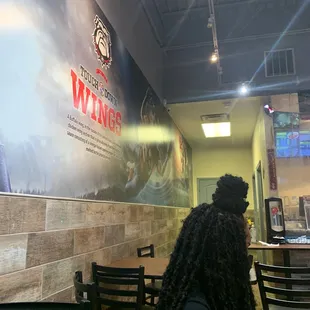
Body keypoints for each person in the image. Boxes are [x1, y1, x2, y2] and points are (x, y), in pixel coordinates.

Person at [156, 174, 256, 310]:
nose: (248, 242)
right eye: (242, 238)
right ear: (223, 247)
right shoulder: (196, 304)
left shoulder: (220, 288)